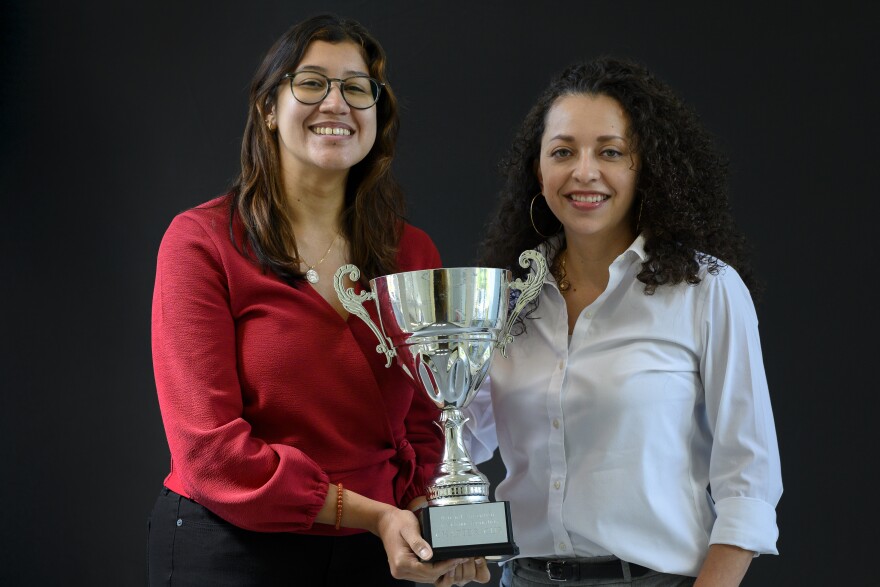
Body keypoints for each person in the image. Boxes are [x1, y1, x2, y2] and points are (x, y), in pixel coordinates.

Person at [148, 14, 489, 587]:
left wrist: (432, 520)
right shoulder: (201, 242)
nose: (336, 104)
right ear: (268, 108)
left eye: (357, 88)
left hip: (376, 551)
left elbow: (430, 421)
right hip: (231, 548)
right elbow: (209, 453)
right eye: (311, 83)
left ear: (377, 117)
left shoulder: (410, 251)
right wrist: (374, 513)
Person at [463, 57, 782, 587]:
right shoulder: (505, 298)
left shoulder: (707, 289)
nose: (584, 172)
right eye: (563, 152)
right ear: (537, 171)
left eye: (610, 152)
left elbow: (748, 478)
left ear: (645, 168)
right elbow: (459, 438)